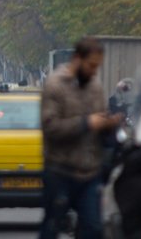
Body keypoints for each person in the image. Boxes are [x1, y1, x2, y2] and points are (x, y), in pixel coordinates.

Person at [39, 38, 120, 239]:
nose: (94, 71)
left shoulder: (95, 87)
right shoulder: (55, 85)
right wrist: (86, 124)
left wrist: (108, 125)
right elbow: (50, 128)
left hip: (89, 173)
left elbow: (99, 119)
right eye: (91, 65)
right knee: (52, 226)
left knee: (94, 229)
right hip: (60, 170)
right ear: (77, 58)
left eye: (97, 67)